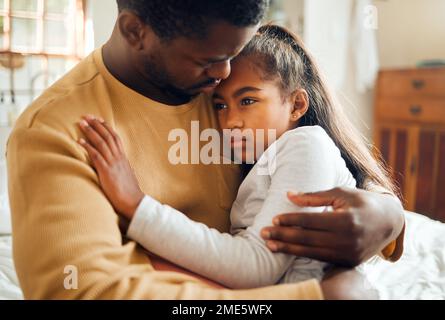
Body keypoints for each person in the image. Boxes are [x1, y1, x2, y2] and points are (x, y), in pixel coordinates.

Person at [6, 0, 404, 299]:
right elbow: (86, 291)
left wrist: (388, 214)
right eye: (210, 60)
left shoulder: (227, 79)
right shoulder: (54, 133)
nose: (224, 74)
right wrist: (316, 296)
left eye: (233, 54)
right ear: (134, 32)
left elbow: (327, 156)